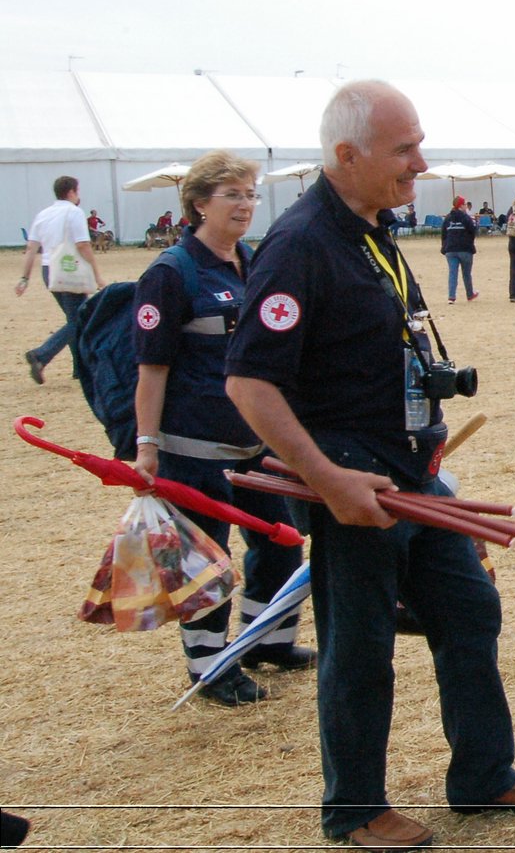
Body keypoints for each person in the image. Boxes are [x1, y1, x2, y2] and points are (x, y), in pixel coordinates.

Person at [225, 80, 515, 849]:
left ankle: (482, 776)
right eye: (405, 149)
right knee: (359, 645)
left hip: (412, 474)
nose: (422, 162)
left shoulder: (371, 227)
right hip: (355, 484)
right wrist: (326, 478)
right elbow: (249, 382)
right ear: (346, 156)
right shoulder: (301, 243)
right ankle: (354, 810)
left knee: (470, 612)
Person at [131, 151, 311, 705]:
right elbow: (152, 369)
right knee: (207, 564)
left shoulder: (251, 262)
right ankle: (209, 667)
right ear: (197, 204)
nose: (245, 205)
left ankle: (268, 641)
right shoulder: (171, 273)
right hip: (193, 450)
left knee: (281, 545)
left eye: (250, 193)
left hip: (255, 444)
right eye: (232, 194)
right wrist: (146, 446)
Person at [16, 175, 107, 384]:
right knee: (80, 319)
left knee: (74, 319)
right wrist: (97, 274)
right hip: (69, 269)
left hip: (49, 270)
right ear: (72, 192)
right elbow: (83, 245)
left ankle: (78, 368)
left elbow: (31, 247)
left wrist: (24, 278)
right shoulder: (74, 212)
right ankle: (41, 355)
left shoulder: (43, 214)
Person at [440, 196, 479, 303]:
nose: (466, 206)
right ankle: (470, 294)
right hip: (465, 249)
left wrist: (444, 246)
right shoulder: (466, 218)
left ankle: (451, 297)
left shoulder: (448, 218)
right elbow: (473, 231)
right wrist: (470, 243)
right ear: (461, 206)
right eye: (465, 204)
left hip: (450, 249)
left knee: (452, 273)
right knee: (466, 273)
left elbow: (444, 233)